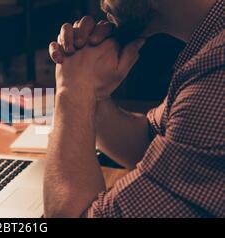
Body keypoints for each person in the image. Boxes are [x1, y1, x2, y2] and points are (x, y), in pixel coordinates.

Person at [45, 0, 224, 217]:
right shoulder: (212, 48)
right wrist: (94, 94)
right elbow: (150, 141)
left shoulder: (218, 73)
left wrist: (72, 89)